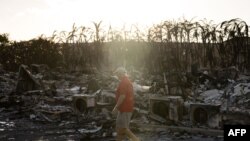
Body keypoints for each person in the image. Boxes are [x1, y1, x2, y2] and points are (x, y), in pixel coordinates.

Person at [112, 67, 140, 141]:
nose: (117, 76)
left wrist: (116, 107)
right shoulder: (125, 81)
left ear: (121, 74)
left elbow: (122, 96)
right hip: (124, 108)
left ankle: (136, 140)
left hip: (125, 108)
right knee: (119, 128)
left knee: (123, 128)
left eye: (117, 74)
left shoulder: (124, 82)